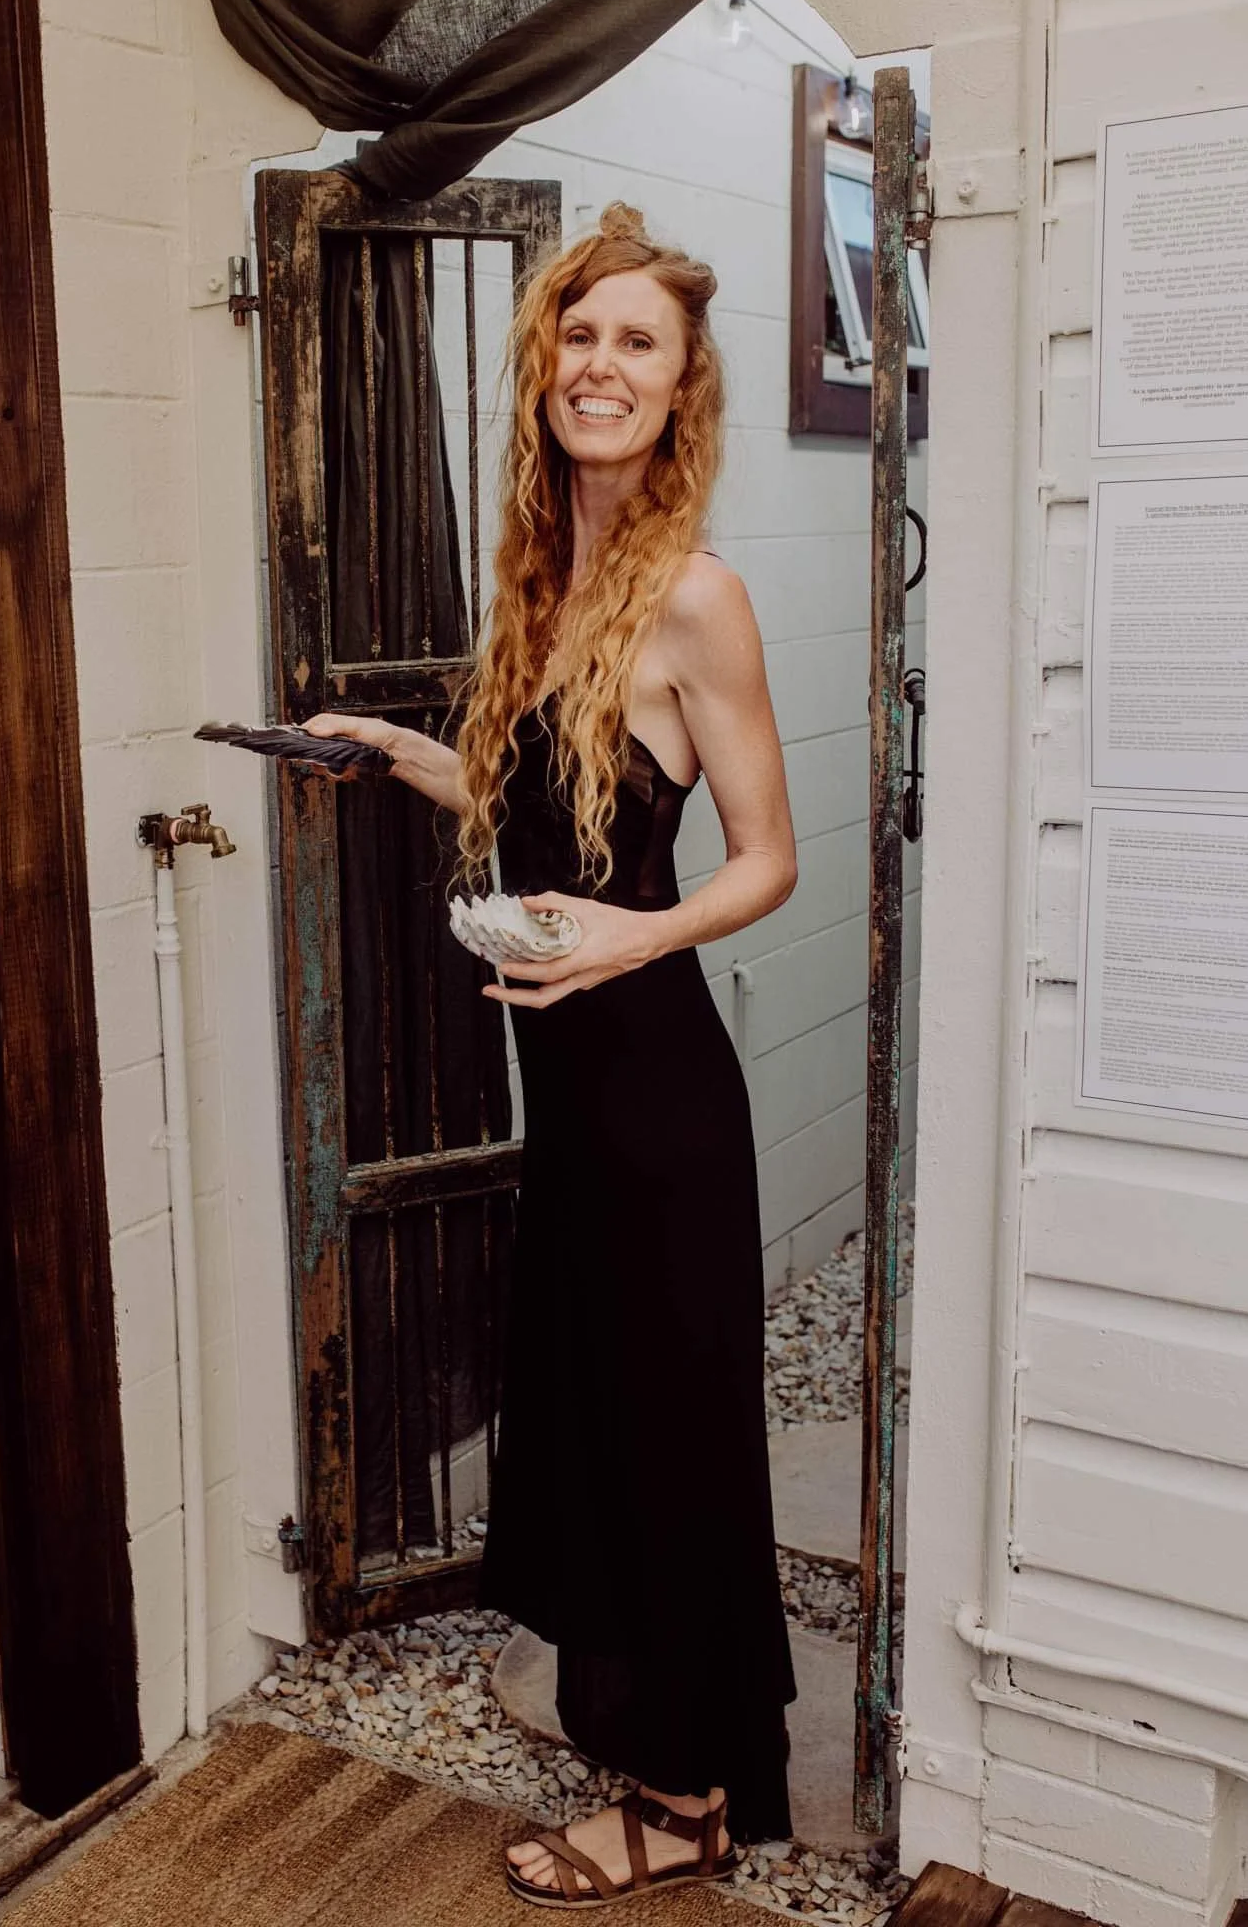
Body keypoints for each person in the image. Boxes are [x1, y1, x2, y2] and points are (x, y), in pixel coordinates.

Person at [303, 200, 799, 1909]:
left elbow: (759, 859)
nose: (601, 365)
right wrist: (401, 754)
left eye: (636, 343)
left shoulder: (695, 596)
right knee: (599, 1422)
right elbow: (540, 820)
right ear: (546, 369)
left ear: (682, 387)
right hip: (574, 1103)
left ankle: (684, 1806)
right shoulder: (547, 579)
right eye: (579, 336)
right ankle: (657, 1762)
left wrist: (631, 937)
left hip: (660, 1097)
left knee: (667, 1438)